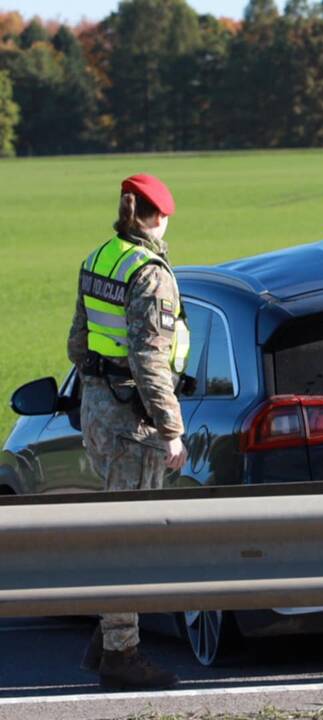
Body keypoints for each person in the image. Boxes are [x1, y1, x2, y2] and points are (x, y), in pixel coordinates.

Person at [68, 173, 189, 690]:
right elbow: (149, 360)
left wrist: (98, 385)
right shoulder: (150, 273)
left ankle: (107, 639)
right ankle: (122, 656)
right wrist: (172, 429)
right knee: (130, 539)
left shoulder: (99, 257)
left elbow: (77, 343)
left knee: (119, 526)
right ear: (157, 216)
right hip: (130, 420)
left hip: (97, 409)